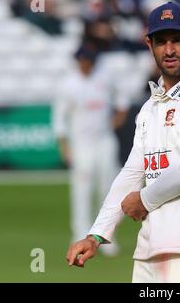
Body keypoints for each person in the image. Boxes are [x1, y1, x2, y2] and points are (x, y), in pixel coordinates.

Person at [66, 1, 180, 283]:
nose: (169, 50)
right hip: (151, 246)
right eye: (161, 42)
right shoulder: (151, 106)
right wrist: (97, 234)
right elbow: (133, 173)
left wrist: (144, 200)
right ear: (149, 44)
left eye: (178, 41)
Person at [53, 46, 130, 257]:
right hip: (81, 144)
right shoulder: (68, 84)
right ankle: (79, 233)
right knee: (82, 190)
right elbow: (59, 117)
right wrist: (64, 145)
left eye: (89, 61)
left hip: (104, 141)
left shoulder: (104, 77)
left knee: (108, 189)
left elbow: (122, 99)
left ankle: (105, 236)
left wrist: (118, 117)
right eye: (83, 61)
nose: (86, 65)